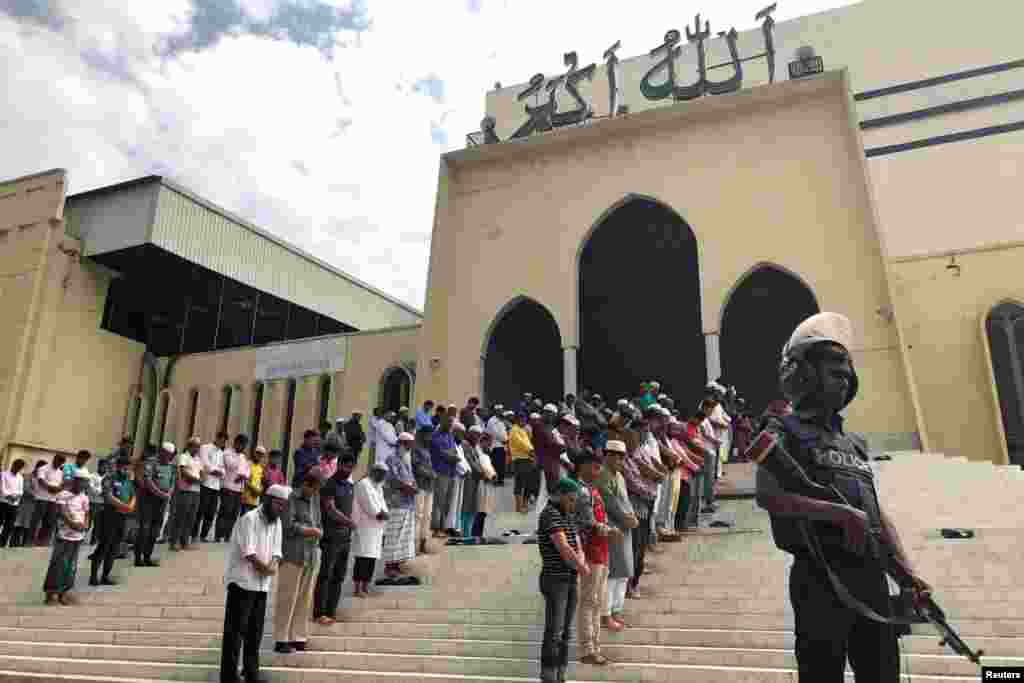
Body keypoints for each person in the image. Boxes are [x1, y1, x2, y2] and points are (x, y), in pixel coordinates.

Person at [755, 312, 931, 683]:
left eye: (847, 370)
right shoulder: (782, 429)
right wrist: (840, 515)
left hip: (871, 578)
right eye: (835, 370)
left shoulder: (854, 444)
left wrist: (908, 573)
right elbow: (770, 495)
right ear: (804, 375)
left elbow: (876, 514)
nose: (845, 377)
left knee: (882, 673)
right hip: (819, 578)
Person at [220, 484, 289, 683]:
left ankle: (251, 674)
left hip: (261, 586)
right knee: (235, 634)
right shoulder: (249, 519)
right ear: (268, 500)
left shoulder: (277, 522)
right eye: (278, 504)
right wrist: (266, 569)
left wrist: (273, 565)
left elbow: (277, 552)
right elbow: (248, 553)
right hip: (242, 583)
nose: (281, 508)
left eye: (284, 505)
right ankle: (229, 677)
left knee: (255, 633)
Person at [536, 476, 589, 683]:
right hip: (555, 579)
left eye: (574, 500)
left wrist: (580, 562)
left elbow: (576, 544)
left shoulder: (568, 515)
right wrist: (582, 567)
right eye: (570, 500)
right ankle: (549, 675)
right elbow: (564, 548)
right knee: (554, 631)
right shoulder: (549, 514)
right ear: (559, 496)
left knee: (566, 631)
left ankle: (560, 673)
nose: (573, 504)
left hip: (569, 578)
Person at [573, 449, 621, 665]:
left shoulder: (591, 490)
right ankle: (587, 649)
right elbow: (587, 523)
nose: (598, 470)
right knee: (589, 601)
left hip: (601, 551)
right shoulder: (581, 491)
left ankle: (595, 647)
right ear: (583, 467)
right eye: (595, 466)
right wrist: (608, 530)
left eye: (599, 466)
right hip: (590, 551)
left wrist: (607, 530)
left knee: (596, 601)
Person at [274, 471, 322, 654]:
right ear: (306, 484)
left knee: (304, 598)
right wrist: (309, 530)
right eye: (313, 488)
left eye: (317, 489)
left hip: (310, 555)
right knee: (288, 596)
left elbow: (318, 521)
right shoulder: (291, 498)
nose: (314, 492)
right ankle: (281, 638)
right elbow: (288, 525)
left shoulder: (315, 499)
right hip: (293, 554)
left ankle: (298, 637)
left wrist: (318, 531)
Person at [594, 440, 637, 630]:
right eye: (617, 456)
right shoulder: (602, 476)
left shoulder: (619, 476)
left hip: (625, 529)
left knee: (623, 574)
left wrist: (632, 516)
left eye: (622, 456)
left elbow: (625, 501)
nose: (620, 460)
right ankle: (606, 614)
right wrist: (627, 519)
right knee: (611, 575)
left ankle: (617, 612)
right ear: (607, 455)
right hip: (612, 529)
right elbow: (610, 504)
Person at [314, 451, 356, 624]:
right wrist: (348, 522)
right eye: (346, 466)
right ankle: (319, 613)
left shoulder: (349, 485)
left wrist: (349, 525)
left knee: (339, 576)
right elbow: (330, 509)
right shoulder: (330, 484)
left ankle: (331, 611)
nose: (348, 470)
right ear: (339, 465)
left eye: (351, 467)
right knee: (326, 575)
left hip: (345, 538)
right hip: (331, 537)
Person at [42, 469, 90, 605]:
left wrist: (85, 525)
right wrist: (72, 524)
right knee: (58, 564)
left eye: (85, 483)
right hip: (64, 535)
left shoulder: (84, 497)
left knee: (71, 565)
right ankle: (51, 593)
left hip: (78, 536)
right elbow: (61, 512)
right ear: (75, 481)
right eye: (82, 482)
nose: (84, 485)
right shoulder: (63, 495)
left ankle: (65, 592)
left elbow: (87, 513)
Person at [90, 453, 135, 586]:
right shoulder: (109, 479)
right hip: (109, 515)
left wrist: (129, 507)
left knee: (114, 548)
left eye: (128, 468)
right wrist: (125, 507)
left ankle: (105, 576)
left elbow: (133, 496)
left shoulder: (128, 481)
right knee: (103, 546)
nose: (126, 470)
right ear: (118, 466)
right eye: (124, 468)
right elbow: (108, 497)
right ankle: (93, 576)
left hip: (122, 517)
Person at [381, 432, 418, 582]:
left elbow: (411, 478)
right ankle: (389, 566)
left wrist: (414, 486)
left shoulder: (405, 459)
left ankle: (396, 564)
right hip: (396, 502)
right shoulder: (391, 459)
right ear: (401, 444)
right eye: (408, 445)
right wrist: (408, 488)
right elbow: (394, 480)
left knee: (403, 536)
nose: (410, 448)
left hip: (408, 503)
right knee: (394, 535)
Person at [352, 463, 389, 598]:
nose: (382, 476)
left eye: (384, 474)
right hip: (364, 526)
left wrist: (384, 513)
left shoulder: (378, 486)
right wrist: (381, 514)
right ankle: (357, 588)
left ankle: (365, 587)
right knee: (362, 558)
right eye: (380, 473)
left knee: (372, 559)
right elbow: (370, 506)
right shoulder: (363, 484)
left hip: (376, 528)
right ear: (374, 471)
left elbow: (384, 505)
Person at [136, 443, 176, 567]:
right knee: (145, 529)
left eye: (170, 455)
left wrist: (169, 493)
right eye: (166, 454)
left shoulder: (171, 466)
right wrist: (160, 494)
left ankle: (148, 556)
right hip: (148, 500)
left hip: (161, 503)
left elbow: (173, 482)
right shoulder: (151, 463)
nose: (168, 457)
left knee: (155, 530)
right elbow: (148, 481)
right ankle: (138, 558)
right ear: (161, 451)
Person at [429, 413, 459, 538]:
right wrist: (454, 457)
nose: (451, 425)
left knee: (447, 502)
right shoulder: (436, 436)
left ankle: (442, 527)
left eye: (452, 423)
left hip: (451, 472)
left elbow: (454, 450)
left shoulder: (450, 435)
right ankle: (436, 529)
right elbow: (443, 453)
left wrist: (454, 456)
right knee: (439, 502)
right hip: (441, 472)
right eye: (449, 423)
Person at [171, 437, 203, 551]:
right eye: (195, 446)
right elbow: (183, 471)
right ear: (189, 446)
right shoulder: (184, 456)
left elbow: (202, 472)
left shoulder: (199, 459)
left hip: (196, 491)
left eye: (199, 446)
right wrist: (195, 479)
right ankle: (174, 541)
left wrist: (201, 479)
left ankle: (185, 542)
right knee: (181, 516)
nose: (197, 448)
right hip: (185, 490)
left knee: (191, 517)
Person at [217, 434, 251, 542]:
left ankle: (227, 535)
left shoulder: (243, 456)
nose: (243, 448)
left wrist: (244, 475)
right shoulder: (227, 452)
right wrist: (240, 466)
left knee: (234, 513)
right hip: (228, 486)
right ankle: (218, 535)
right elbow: (230, 464)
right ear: (236, 443)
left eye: (245, 446)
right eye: (242, 445)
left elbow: (247, 470)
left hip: (238, 489)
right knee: (225, 511)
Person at [196, 432, 228, 543]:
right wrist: (214, 470)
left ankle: (203, 535)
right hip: (205, 484)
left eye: (224, 441)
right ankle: (193, 534)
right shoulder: (205, 448)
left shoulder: (222, 453)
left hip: (216, 486)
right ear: (217, 438)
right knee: (200, 510)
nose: (222, 443)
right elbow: (205, 463)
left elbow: (224, 470)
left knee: (211, 512)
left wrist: (219, 472)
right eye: (221, 440)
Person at [411, 425, 436, 555]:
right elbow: (416, 467)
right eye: (429, 435)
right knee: (418, 515)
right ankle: (414, 546)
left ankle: (423, 542)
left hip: (429, 487)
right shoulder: (415, 448)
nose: (430, 438)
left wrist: (432, 474)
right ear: (423, 434)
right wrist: (429, 474)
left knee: (427, 516)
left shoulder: (427, 449)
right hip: (420, 486)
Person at [31, 453, 66, 546]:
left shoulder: (61, 472)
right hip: (42, 498)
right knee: (36, 521)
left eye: (61, 463)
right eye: (58, 461)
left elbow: (62, 484)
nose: (59, 464)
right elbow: (41, 481)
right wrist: (50, 488)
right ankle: (30, 540)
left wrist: (58, 489)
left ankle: (41, 541)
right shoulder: (43, 468)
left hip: (53, 500)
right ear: (54, 459)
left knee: (49, 522)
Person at [11, 460, 46, 548]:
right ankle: (13, 544)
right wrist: (39, 495)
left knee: (30, 527)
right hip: (25, 505)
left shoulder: (44, 479)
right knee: (19, 525)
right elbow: (26, 489)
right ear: (37, 467)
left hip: (35, 507)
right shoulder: (27, 476)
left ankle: (24, 545)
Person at [508, 412, 536, 514]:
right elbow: (521, 443)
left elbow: (528, 442)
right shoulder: (514, 430)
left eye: (524, 419)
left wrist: (531, 452)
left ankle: (524, 504)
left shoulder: (522, 430)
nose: (523, 421)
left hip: (527, 458)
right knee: (520, 483)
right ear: (516, 420)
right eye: (521, 419)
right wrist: (531, 451)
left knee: (527, 483)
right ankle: (519, 507)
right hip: (520, 459)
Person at [474, 433, 499, 537]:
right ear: (483, 441)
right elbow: (485, 468)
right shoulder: (479, 453)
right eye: (488, 443)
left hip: (486, 484)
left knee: (483, 512)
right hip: (480, 484)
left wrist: (494, 475)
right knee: (480, 511)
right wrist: (492, 476)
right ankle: (476, 534)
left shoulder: (484, 453)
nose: (490, 446)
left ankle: (479, 534)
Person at [0, 459, 25, 547]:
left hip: (14, 504)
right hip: (3, 502)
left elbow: (21, 491)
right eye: (17, 466)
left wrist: (15, 497)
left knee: (9, 525)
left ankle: (2, 544)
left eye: (20, 468)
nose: (17, 469)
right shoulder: (3, 474)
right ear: (13, 465)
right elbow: (2, 489)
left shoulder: (20, 477)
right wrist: (10, 497)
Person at [485, 408, 509, 486]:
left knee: (501, 464)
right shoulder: (492, 421)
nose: (501, 411)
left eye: (501, 410)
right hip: (495, 445)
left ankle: (501, 480)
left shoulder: (501, 420)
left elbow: (504, 431)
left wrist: (506, 439)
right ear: (496, 411)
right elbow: (496, 433)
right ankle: (496, 480)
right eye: (499, 410)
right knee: (496, 464)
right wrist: (504, 439)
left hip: (502, 446)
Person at [241, 446, 266, 515]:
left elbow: (262, 482)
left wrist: (260, 490)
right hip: (246, 498)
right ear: (254, 453)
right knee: (244, 519)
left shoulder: (261, 467)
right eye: (258, 453)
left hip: (255, 500)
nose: (259, 456)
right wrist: (253, 489)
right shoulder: (248, 464)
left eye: (261, 455)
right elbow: (244, 480)